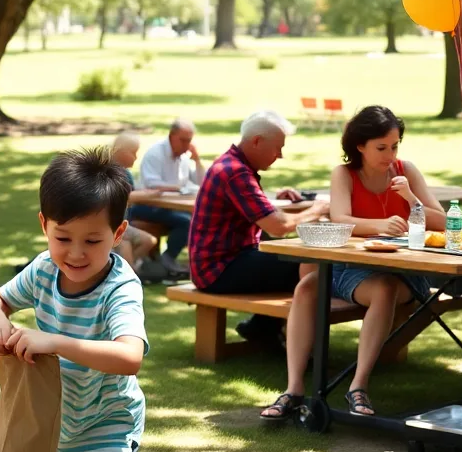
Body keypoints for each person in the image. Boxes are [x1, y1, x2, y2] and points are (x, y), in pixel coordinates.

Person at [0, 148, 156, 452]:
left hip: (109, 422)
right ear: (44, 225)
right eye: (63, 238)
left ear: (118, 233)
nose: (76, 253)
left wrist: (54, 341)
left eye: (92, 241)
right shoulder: (42, 270)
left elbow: (130, 356)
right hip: (62, 424)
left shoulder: (121, 288)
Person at [262, 106, 445, 420]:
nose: (390, 155)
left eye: (395, 146)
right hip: (350, 268)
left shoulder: (405, 171)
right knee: (307, 285)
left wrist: (412, 198)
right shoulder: (344, 174)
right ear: (360, 146)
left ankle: (357, 386)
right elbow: (340, 218)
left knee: (385, 288)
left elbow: (441, 221)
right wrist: (380, 224)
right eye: (382, 148)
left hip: (399, 271)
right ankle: (293, 389)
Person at [189, 110, 330, 344]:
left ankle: (262, 327)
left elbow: (260, 212)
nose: (281, 155)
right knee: (307, 266)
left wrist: (278, 200)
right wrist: (317, 210)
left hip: (221, 263)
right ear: (256, 141)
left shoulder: (231, 163)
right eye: (278, 148)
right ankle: (290, 338)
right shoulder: (236, 172)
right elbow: (278, 226)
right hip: (218, 270)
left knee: (293, 262)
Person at [127, 118, 203, 277]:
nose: (186, 145)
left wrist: (197, 160)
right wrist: (180, 188)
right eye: (183, 140)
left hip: (171, 206)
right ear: (171, 136)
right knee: (187, 221)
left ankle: (181, 261)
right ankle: (168, 260)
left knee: (198, 218)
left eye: (189, 141)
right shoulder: (156, 153)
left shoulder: (183, 157)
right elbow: (152, 183)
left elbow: (200, 182)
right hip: (147, 205)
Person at [109, 132, 174, 283]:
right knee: (124, 243)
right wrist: (148, 196)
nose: (136, 157)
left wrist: (149, 192)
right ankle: (126, 276)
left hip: (124, 225)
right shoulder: (111, 171)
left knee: (149, 240)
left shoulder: (126, 173)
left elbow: (134, 192)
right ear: (122, 151)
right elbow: (125, 197)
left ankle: (123, 269)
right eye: (133, 153)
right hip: (110, 225)